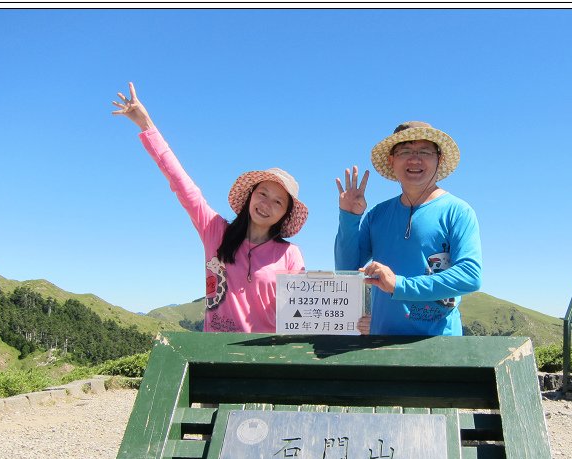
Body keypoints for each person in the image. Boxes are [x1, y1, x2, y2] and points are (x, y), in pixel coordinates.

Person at [112, 82, 308, 333]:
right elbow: (183, 186)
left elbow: (303, 311)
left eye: (278, 202)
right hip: (214, 357)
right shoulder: (215, 232)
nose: (266, 204)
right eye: (262, 193)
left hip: (265, 359)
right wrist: (147, 126)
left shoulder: (290, 255)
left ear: (284, 214)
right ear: (250, 196)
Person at [335, 121, 482, 336]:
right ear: (392, 161)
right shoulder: (377, 214)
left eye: (425, 151)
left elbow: (470, 276)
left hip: (442, 349)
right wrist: (349, 217)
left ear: (438, 159)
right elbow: (346, 270)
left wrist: (400, 285)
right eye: (405, 151)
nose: (415, 159)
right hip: (381, 346)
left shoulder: (458, 211)